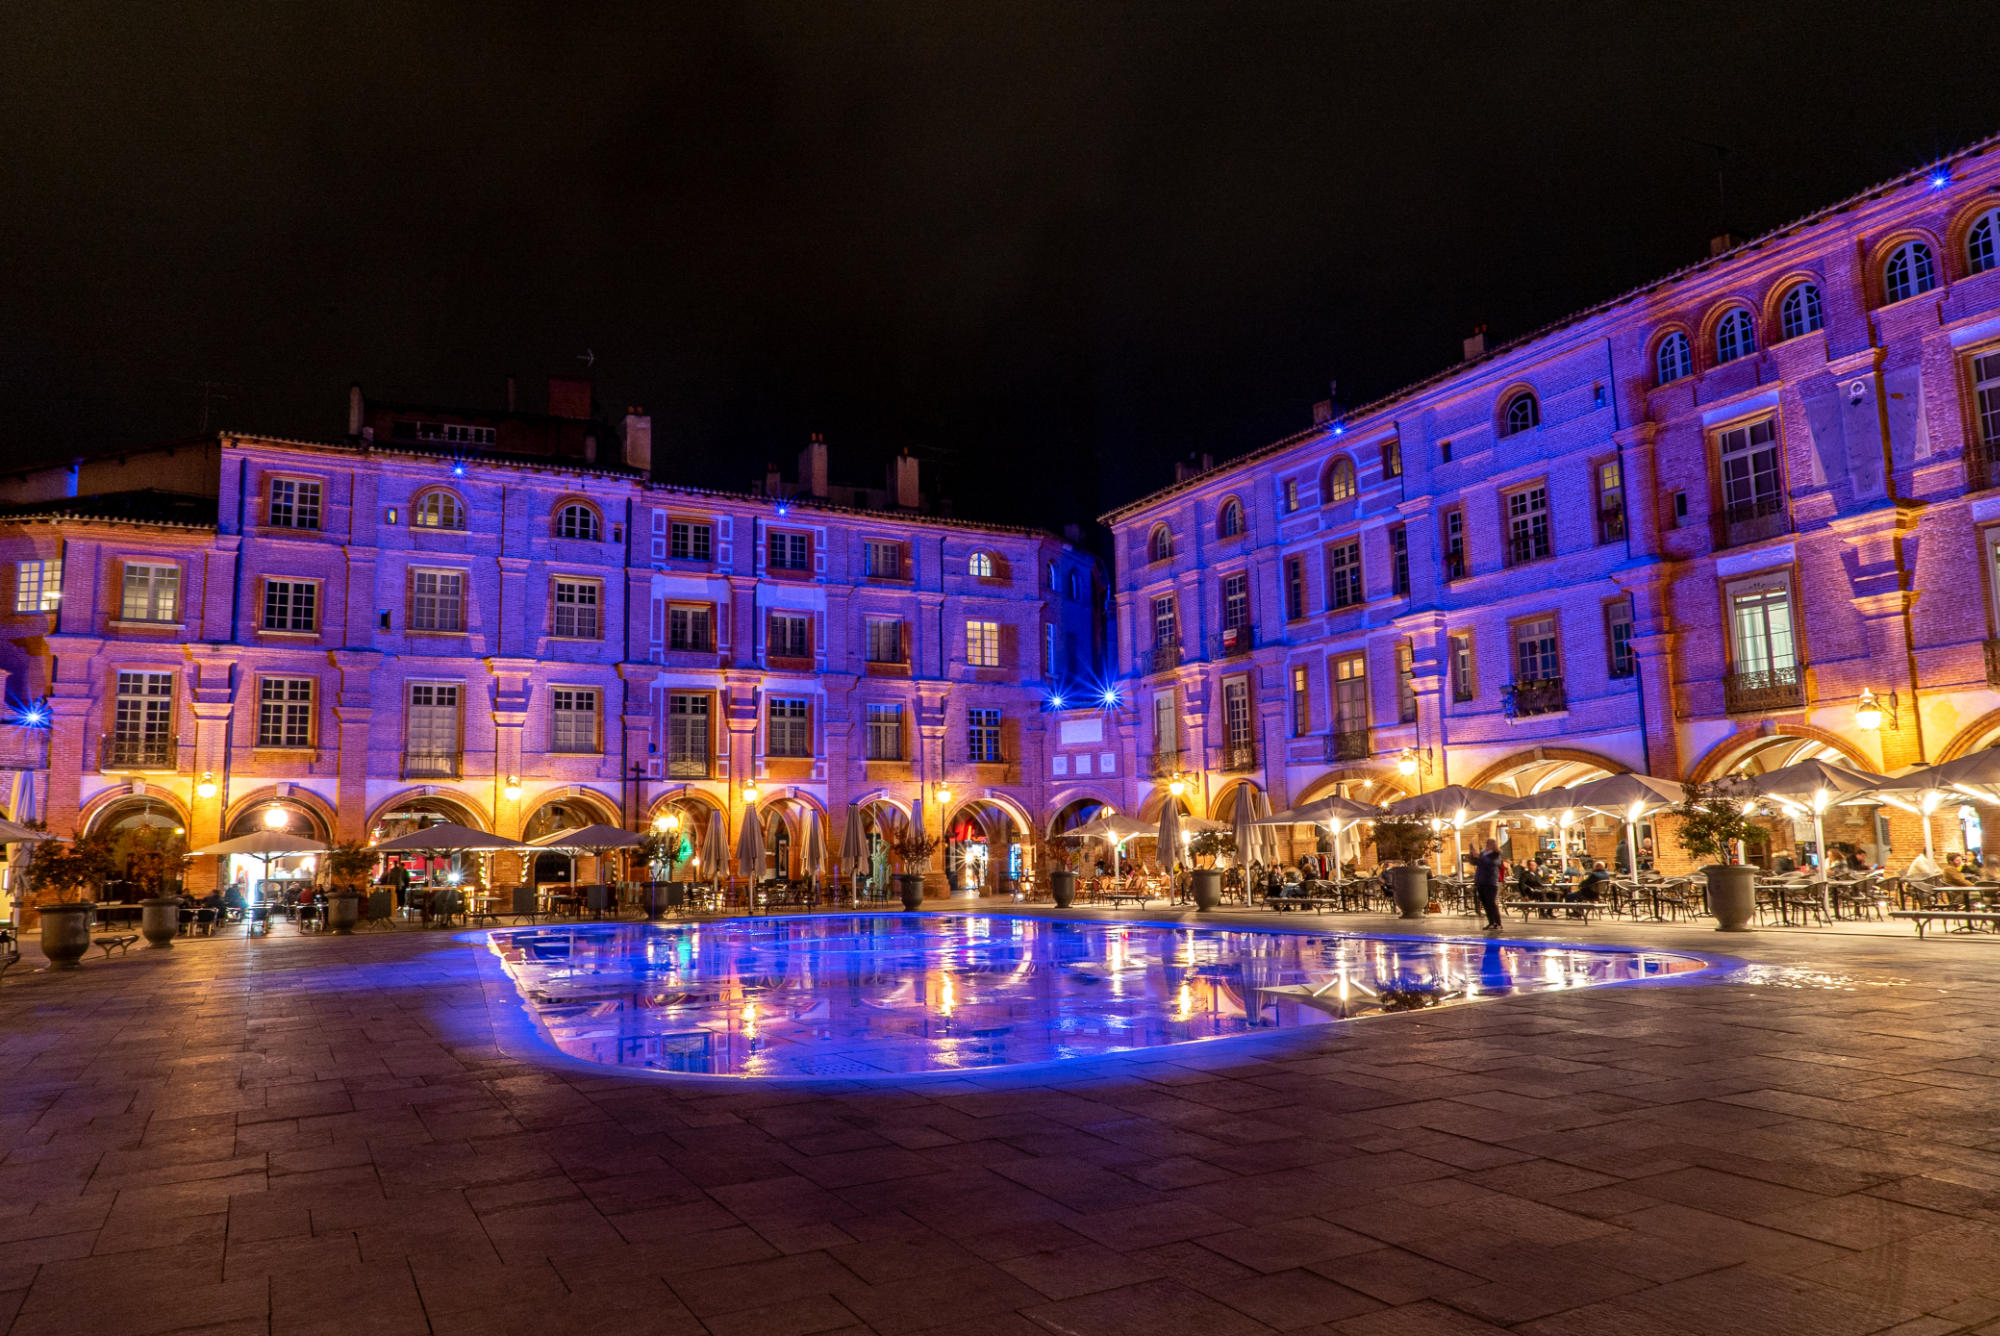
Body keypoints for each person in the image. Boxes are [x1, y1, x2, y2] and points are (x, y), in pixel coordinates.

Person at [1464, 838, 1503, 931]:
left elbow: (1493, 863)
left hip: (1490, 882)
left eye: (1490, 843)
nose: (1488, 845)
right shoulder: (1483, 854)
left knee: (1491, 902)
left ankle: (1497, 923)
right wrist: (1472, 854)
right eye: (1487, 843)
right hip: (1480, 881)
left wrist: (1480, 857)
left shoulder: (1496, 854)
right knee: (1485, 903)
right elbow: (1476, 862)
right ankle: (1491, 922)